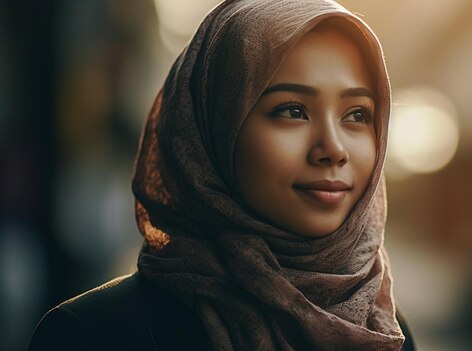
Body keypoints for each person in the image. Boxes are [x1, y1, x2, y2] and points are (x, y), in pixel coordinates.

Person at [28, 0, 415, 350]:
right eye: (293, 110)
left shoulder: (383, 331)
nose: (333, 148)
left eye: (358, 115)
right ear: (214, 129)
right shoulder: (92, 335)